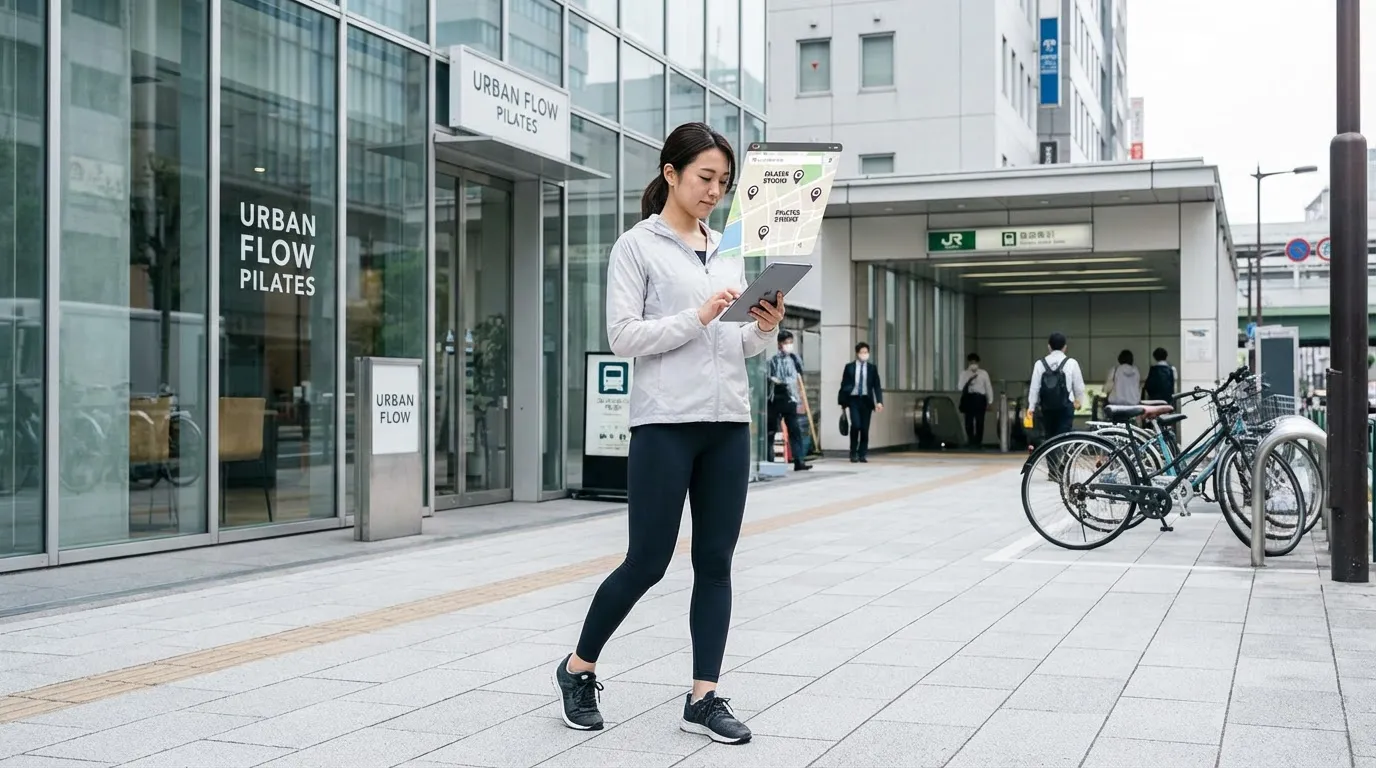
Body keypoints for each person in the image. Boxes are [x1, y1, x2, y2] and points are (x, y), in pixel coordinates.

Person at [552, 122, 782, 746]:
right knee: (647, 562)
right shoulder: (636, 247)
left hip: (728, 425)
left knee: (715, 562)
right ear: (672, 172)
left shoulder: (727, 250)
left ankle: (703, 696)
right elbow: (623, 337)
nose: (715, 191)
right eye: (706, 178)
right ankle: (578, 668)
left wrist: (763, 326)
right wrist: (697, 315)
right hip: (664, 425)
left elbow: (740, 344)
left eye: (725, 183)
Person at [1026, 332, 1085, 440]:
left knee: (1049, 437)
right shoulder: (1071, 363)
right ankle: (1062, 456)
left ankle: (1051, 456)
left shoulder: (1040, 364)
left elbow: (1034, 387)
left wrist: (1031, 407)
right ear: (1065, 347)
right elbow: (1079, 386)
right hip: (1066, 406)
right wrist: (1079, 402)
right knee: (1064, 438)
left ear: (1049, 346)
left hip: (1047, 407)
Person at [767, 330, 811, 470]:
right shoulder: (773, 360)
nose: (789, 345)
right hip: (776, 398)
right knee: (771, 430)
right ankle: (769, 460)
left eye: (791, 342)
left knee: (795, 430)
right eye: (786, 343)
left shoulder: (795, 359)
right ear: (779, 344)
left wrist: (799, 400)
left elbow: (799, 378)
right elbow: (769, 378)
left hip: (791, 399)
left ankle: (799, 460)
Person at [838, 342, 883, 462]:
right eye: (862, 352)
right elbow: (844, 384)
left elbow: (876, 386)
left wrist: (879, 401)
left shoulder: (872, 368)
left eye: (866, 352)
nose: (864, 354)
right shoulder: (849, 367)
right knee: (856, 425)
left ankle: (862, 453)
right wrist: (843, 401)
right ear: (857, 353)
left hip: (866, 401)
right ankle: (853, 452)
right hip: (854, 400)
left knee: (864, 428)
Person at [957, 353, 993, 449]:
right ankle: (970, 440)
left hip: (980, 398)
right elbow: (960, 387)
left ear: (978, 363)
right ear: (968, 362)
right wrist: (968, 379)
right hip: (969, 398)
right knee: (968, 421)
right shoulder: (964, 374)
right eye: (971, 362)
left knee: (979, 421)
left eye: (975, 362)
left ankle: (978, 441)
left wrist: (990, 401)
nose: (973, 364)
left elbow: (988, 387)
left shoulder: (983, 373)